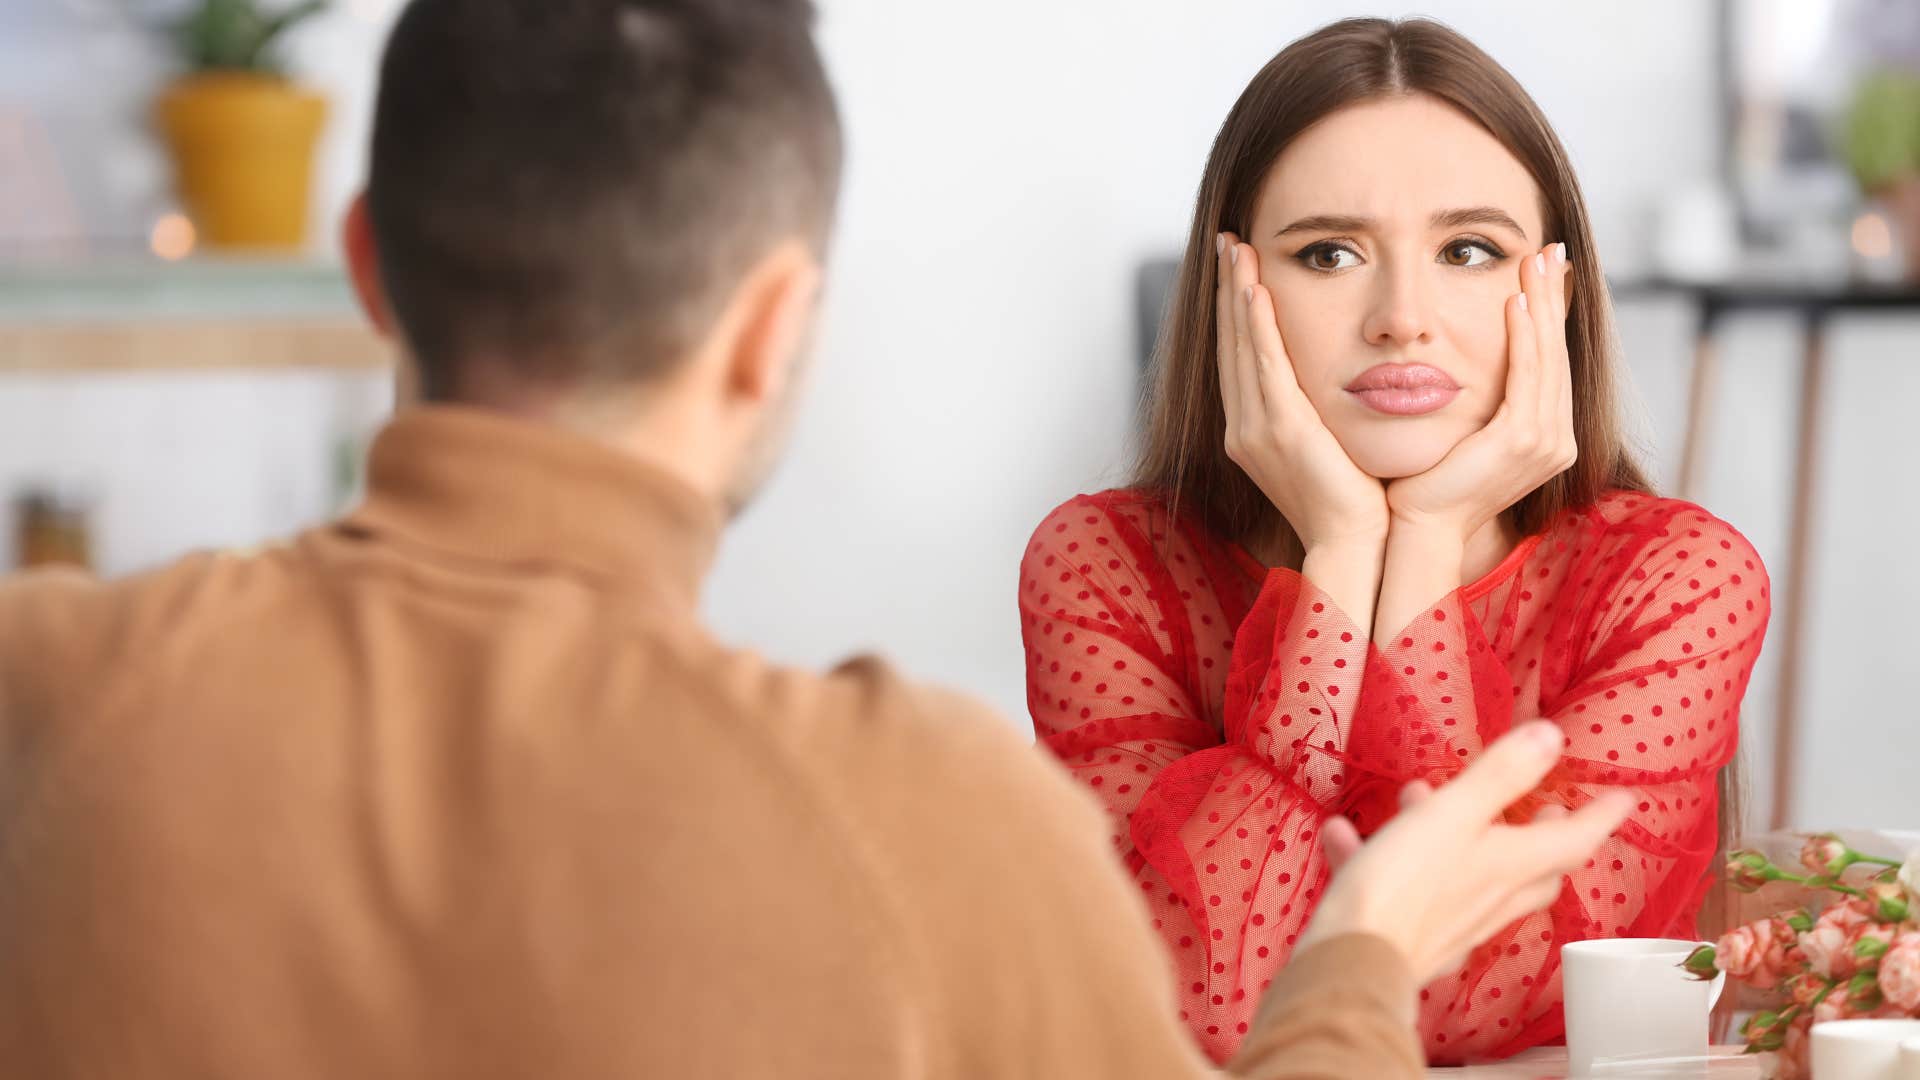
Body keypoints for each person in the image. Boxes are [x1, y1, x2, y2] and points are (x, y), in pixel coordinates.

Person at [0, 3, 1627, 1077]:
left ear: (369, 270)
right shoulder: (934, 818)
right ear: (777, 328)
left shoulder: (47, 689)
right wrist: (1360, 960)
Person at [1019, 16, 1772, 1067]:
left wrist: (1419, 542)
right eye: (1328, 253)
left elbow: (1471, 1005)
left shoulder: (1675, 582)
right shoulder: (1105, 568)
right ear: (1237, 289)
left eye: (1470, 250)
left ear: (1551, 292)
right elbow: (1212, 1012)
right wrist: (1339, 555)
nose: (1402, 317)